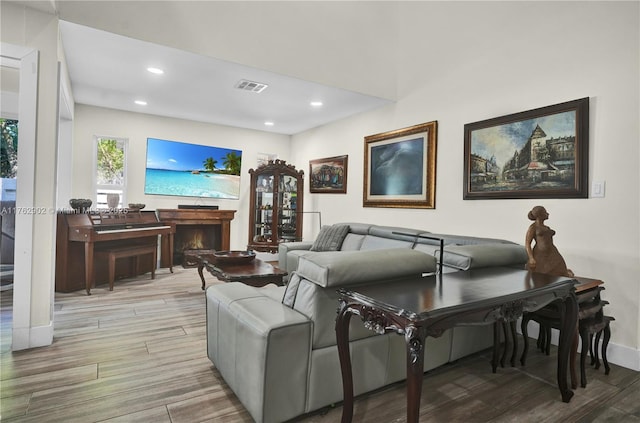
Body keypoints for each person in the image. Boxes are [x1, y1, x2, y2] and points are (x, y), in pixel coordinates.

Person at [525, 205, 574, 277]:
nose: (548, 214)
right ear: (540, 215)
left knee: (561, 269)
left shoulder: (547, 228)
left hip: (552, 253)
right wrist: (531, 258)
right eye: (545, 212)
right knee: (540, 275)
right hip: (539, 255)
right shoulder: (533, 227)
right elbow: (527, 243)